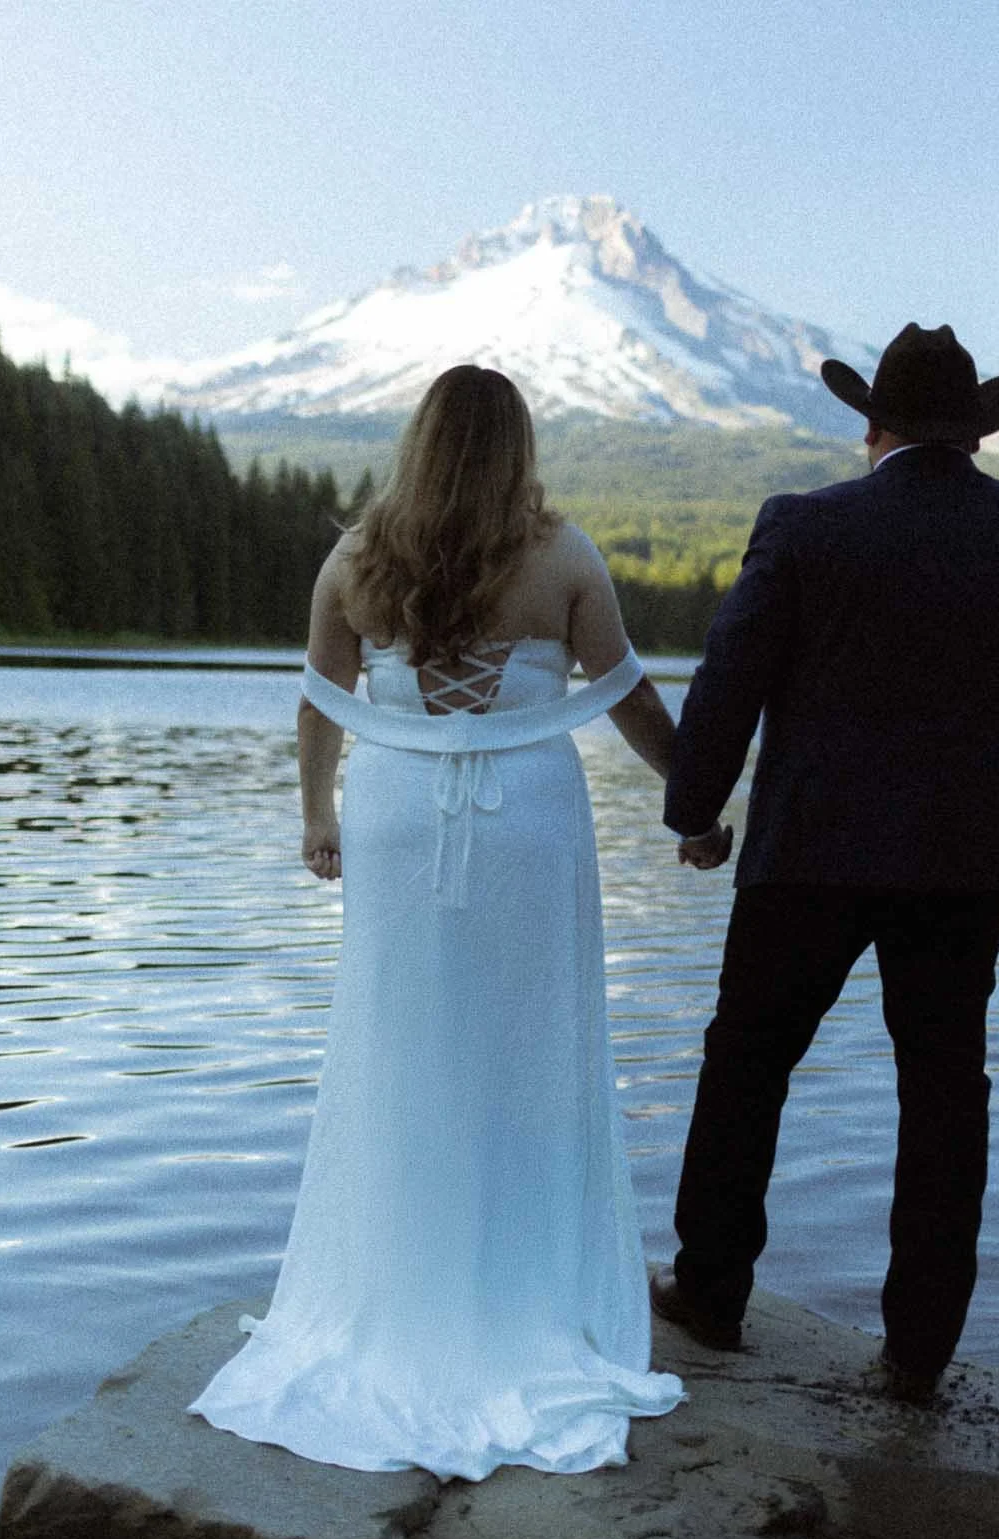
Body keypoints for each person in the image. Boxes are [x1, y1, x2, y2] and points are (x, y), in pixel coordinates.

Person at [189, 364, 688, 1478]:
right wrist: (695, 804)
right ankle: (520, 1295)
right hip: (525, 823)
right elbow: (632, 700)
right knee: (528, 1053)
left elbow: (321, 699)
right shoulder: (561, 555)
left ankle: (399, 1288)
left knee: (400, 1048)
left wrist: (319, 817)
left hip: (398, 817)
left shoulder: (355, 557)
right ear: (516, 448)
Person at [652, 323, 999, 1404]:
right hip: (965, 869)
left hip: (806, 853)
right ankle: (917, 1350)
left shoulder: (804, 526)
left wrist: (694, 809)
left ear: (869, 424)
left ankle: (711, 1292)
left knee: (748, 1062)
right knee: (941, 1089)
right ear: (975, 435)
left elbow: (728, 680)